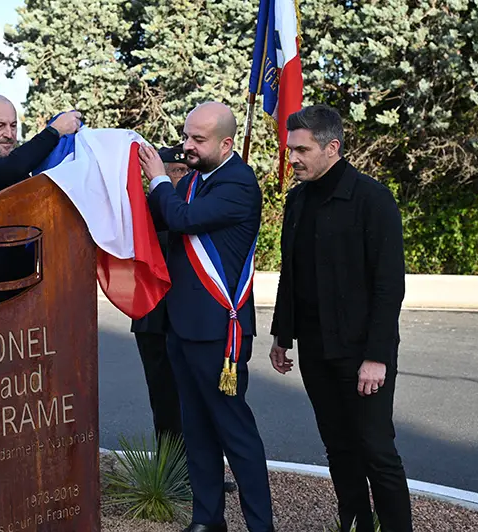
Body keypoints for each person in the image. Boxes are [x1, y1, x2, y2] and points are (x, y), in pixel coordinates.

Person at [269, 104, 412, 532]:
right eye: (289, 148)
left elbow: (390, 287)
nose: (291, 157)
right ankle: (356, 526)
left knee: (376, 450)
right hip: (316, 349)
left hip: (361, 352)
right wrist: (282, 335)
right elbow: (290, 273)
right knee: (338, 449)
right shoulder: (296, 200)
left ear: (332, 148)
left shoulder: (372, 198)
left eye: (301, 149)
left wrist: (376, 357)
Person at [139, 102, 273, 532]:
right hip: (183, 327)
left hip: (219, 332)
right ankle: (207, 521)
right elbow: (158, 214)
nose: (188, 146)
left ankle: (260, 526)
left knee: (236, 436)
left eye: (198, 140)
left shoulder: (237, 184)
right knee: (196, 431)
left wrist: (159, 177)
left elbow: (179, 218)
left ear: (226, 143)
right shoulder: (197, 179)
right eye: (187, 136)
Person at [131, 144, 188, 443]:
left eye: (187, 171)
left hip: (189, 318)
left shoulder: (193, 208)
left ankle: (200, 474)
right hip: (154, 318)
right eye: (176, 171)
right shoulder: (144, 207)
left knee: (195, 401)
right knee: (165, 400)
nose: (183, 177)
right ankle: (170, 476)